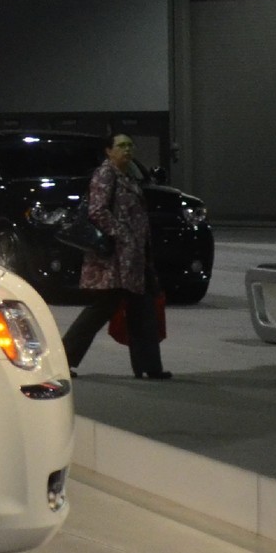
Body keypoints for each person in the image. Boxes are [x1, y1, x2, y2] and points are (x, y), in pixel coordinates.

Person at [61, 134, 169, 380]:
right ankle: (63, 359)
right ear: (109, 151)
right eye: (121, 146)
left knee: (142, 310)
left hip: (133, 258)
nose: (127, 149)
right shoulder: (105, 174)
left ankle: (150, 367)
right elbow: (97, 210)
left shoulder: (127, 175)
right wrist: (123, 234)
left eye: (130, 145)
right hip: (113, 259)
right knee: (100, 309)